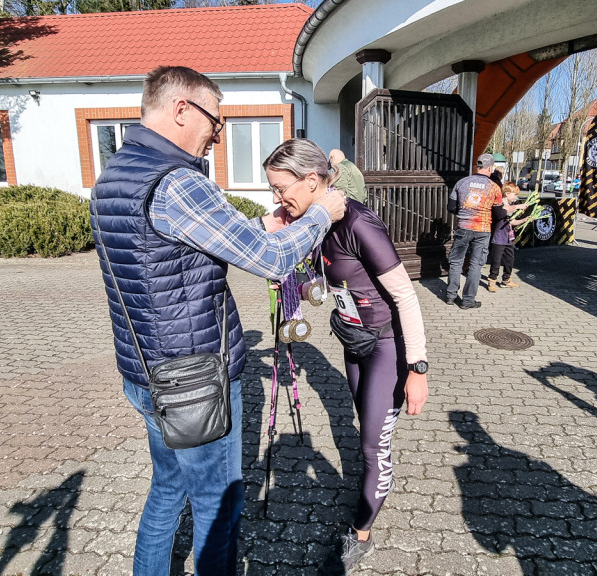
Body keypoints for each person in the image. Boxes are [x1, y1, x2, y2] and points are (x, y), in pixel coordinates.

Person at [89, 66, 346, 576]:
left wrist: (257, 226)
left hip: (144, 372)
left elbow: (172, 246)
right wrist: (321, 216)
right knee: (218, 503)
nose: (216, 134)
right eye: (216, 121)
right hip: (195, 379)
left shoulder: (116, 172)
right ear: (182, 109)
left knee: (167, 488)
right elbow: (272, 262)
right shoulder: (178, 181)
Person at [262, 139, 429, 572]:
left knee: (374, 447)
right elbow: (322, 280)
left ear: (313, 180)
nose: (278, 198)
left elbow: (406, 298)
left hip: (386, 348)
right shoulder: (316, 222)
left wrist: (418, 369)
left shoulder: (358, 223)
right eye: (273, 190)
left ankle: (361, 535)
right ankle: (374, 469)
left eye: (282, 189)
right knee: (363, 430)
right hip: (353, 344)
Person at [446, 153, 503, 309]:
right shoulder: (494, 187)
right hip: (482, 230)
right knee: (475, 265)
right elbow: (499, 214)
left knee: (456, 262)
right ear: (490, 168)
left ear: (477, 166)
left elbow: (451, 207)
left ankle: (450, 296)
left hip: (463, 228)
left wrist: (465, 212)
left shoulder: (462, 182)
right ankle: (468, 300)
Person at [485, 182, 526, 292]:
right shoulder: (501, 205)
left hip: (508, 238)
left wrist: (524, 220)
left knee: (509, 259)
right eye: (514, 194)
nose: (516, 197)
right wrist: (517, 206)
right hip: (499, 237)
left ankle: (506, 279)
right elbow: (503, 212)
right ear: (507, 193)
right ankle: (492, 280)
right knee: (496, 260)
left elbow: (511, 222)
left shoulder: (510, 207)